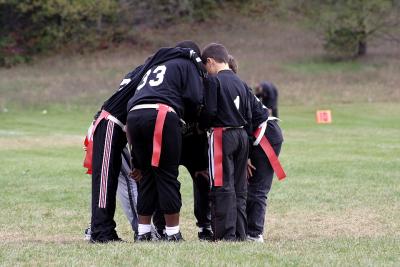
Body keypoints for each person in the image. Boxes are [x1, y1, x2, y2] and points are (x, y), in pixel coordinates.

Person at [83, 43, 203, 243]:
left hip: (130, 124)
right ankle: (99, 231)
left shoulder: (145, 71)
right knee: (106, 182)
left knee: (141, 177)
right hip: (111, 122)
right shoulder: (155, 70)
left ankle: (137, 229)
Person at [126, 41, 205, 242]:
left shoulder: (156, 64)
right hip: (160, 115)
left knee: (145, 175)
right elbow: (195, 98)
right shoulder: (187, 63)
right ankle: (172, 233)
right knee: (167, 174)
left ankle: (143, 233)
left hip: (133, 116)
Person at [228, 55, 285, 242]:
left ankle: (254, 233)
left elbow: (247, 122)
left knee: (258, 187)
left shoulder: (235, 88)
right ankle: (242, 229)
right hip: (254, 136)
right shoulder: (233, 87)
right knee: (245, 186)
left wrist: (246, 155)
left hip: (264, 136)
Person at [201, 43, 252, 241]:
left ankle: (224, 235)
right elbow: (248, 115)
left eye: (206, 67)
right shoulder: (241, 82)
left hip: (222, 135)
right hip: (242, 136)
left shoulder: (214, 81)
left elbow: (210, 111)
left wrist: (202, 124)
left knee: (221, 185)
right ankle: (240, 233)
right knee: (240, 187)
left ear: (211, 62)